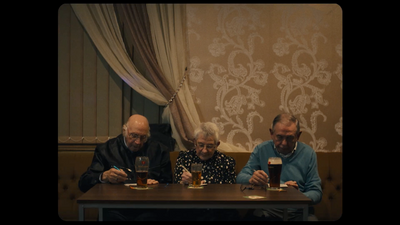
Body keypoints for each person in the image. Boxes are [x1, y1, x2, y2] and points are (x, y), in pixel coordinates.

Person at [78, 114, 173, 220]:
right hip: (115, 208)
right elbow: (83, 183)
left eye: (143, 137)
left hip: (148, 209)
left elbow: (169, 184)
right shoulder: (106, 150)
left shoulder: (159, 150)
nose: (138, 142)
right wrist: (104, 176)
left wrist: (157, 185)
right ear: (124, 131)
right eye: (134, 135)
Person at [236, 113, 322, 221]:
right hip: (268, 211)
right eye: (279, 137)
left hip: (297, 212)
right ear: (271, 133)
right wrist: (251, 178)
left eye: (290, 138)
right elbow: (240, 177)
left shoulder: (308, 154)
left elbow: (316, 193)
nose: (284, 143)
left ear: (298, 136)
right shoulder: (261, 149)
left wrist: (297, 195)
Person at [169, 122, 239, 220]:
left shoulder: (227, 161)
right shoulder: (184, 158)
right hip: (189, 208)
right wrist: (183, 183)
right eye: (201, 145)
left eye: (210, 146)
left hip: (217, 209)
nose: (204, 150)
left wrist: (201, 185)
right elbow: (176, 188)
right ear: (194, 142)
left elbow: (230, 191)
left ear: (217, 144)